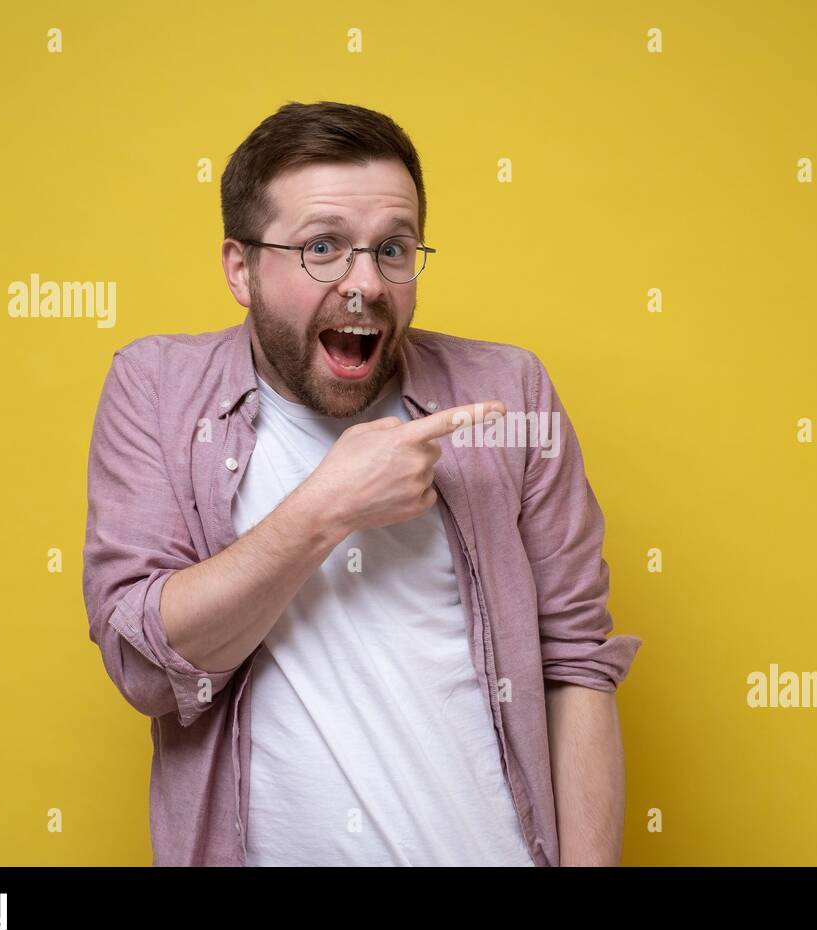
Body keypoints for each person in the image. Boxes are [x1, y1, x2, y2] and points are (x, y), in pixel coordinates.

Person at [81, 100, 641, 866]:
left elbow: (574, 667)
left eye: (393, 249)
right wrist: (328, 504)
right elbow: (147, 664)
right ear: (240, 267)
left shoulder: (509, 393)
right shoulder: (156, 389)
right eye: (323, 247)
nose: (366, 283)